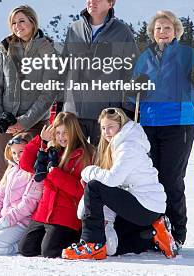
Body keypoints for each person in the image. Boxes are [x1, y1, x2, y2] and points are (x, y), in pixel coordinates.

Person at [129, 10, 194, 249]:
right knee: (149, 179)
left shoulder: (187, 54)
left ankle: (176, 232)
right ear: (152, 33)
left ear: (176, 31)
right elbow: (132, 97)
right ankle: (152, 230)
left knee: (171, 179)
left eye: (167, 28)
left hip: (178, 123)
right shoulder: (144, 57)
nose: (162, 32)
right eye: (158, 28)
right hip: (149, 123)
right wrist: (135, 89)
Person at [61, 107, 177, 261]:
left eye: (110, 127)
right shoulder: (117, 146)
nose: (106, 132)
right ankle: (153, 236)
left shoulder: (128, 147)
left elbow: (112, 181)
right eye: (103, 128)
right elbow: (114, 188)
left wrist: (87, 171)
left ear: (121, 126)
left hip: (146, 205)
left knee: (94, 186)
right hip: (142, 208)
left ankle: (92, 244)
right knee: (112, 248)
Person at [0, 5, 58, 205]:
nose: (18, 26)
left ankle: (27, 225)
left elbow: (49, 91)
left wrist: (25, 122)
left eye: (22, 21)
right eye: (14, 22)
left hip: (34, 124)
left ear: (33, 22)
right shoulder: (5, 49)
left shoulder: (47, 50)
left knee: (31, 173)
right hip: (5, 123)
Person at [62, 0, 139, 144]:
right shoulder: (74, 29)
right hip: (74, 112)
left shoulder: (121, 32)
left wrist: (127, 108)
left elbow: (132, 72)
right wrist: (61, 103)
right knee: (74, 163)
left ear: (110, 4)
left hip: (105, 113)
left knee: (102, 163)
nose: (92, 1)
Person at [17, 112, 94, 258]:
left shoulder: (84, 154)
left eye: (65, 132)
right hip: (44, 212)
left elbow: (81, 191)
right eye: (57, 132)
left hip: (66, 214)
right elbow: (25, 165)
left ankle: (79, 238)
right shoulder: (51, 151)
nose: (61, 137)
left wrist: (54, 173)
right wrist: (41, 140)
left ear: (74, 131)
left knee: (49, 252)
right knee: (26, 249)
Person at [0, 133, 43, 255]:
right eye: (14, 153)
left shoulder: (34, 174)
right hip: (3, 220)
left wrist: (5, 222)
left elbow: (28, 205)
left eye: (21, 151)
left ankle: (20, 246)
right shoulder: (11, 171)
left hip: (21, 223)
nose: (17, 156)